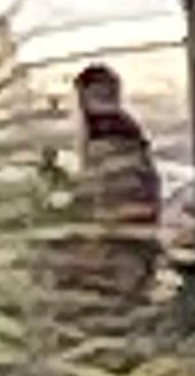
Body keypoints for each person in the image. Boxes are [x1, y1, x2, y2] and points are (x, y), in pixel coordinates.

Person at [62, 62, 163, 304]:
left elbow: (99, 193)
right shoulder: (127, 130)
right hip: (134, 237)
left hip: (118, 244)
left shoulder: (105, 135)